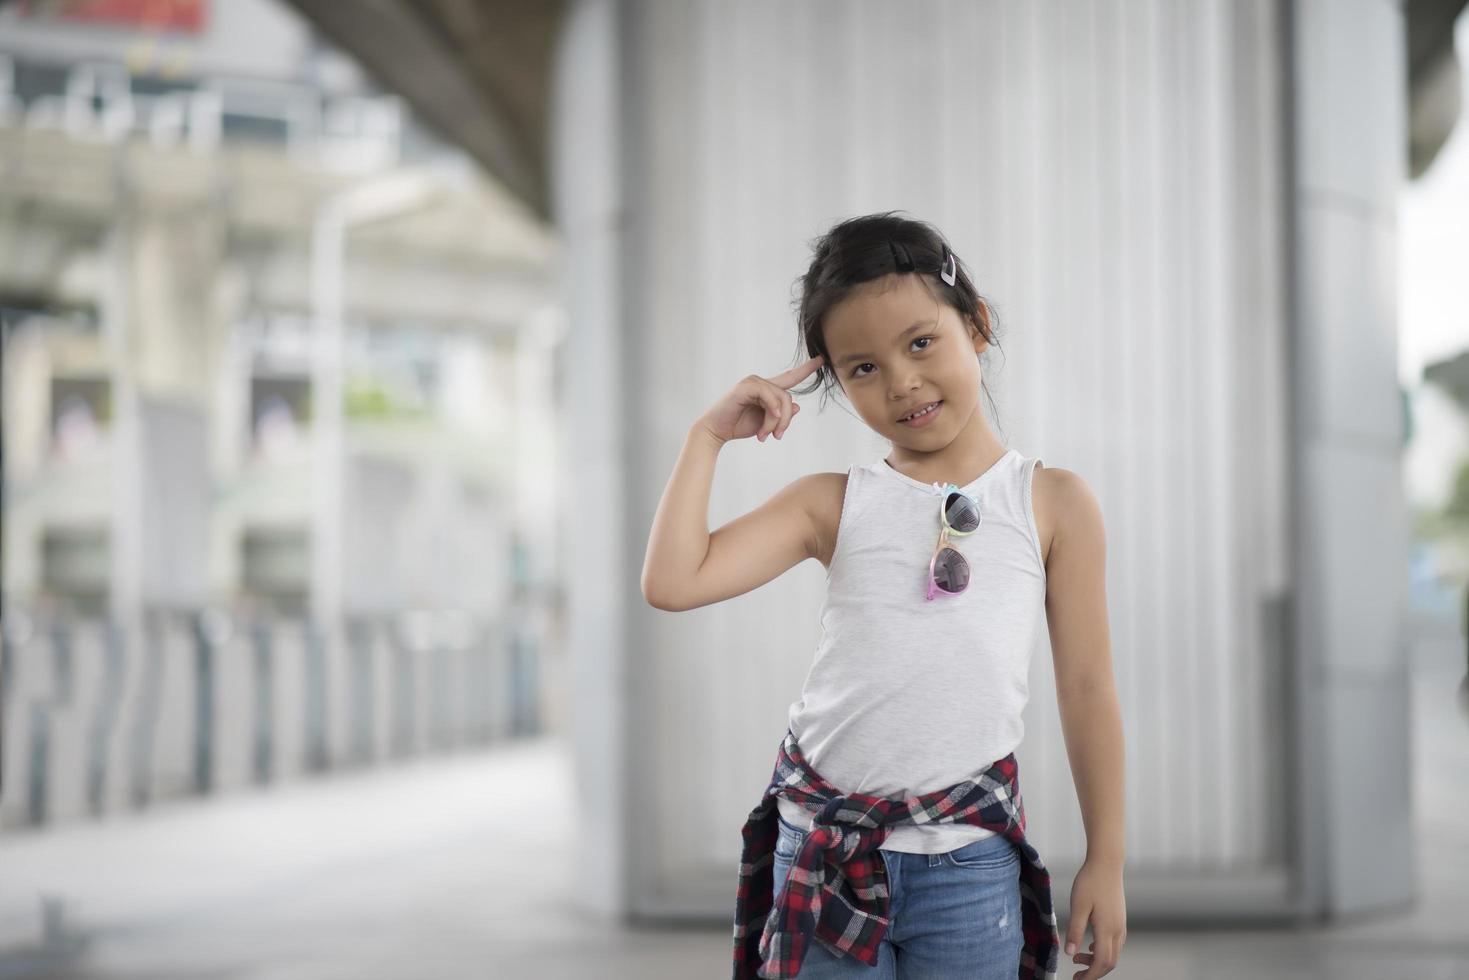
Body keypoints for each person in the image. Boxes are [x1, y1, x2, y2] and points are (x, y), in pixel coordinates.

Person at [641, 212, 1126, 979]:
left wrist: (1106, 857)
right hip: (823, 852)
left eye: (921, 343)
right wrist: (705, 437)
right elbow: (672, 582)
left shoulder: (1053, 502)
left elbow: (1087, 685)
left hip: (967, 864)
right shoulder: (829, 502)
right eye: (861, 368)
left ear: (977, 326)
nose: (900, 381)